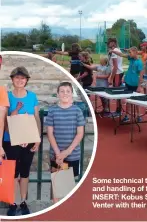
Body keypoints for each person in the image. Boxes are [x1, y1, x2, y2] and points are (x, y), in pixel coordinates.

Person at [2, 67, 41, 216]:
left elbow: (36, 118)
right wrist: (16, 137)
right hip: (10, 140)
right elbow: (4, 120)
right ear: (12, 79)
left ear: (26, 80)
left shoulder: (32, 96)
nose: (20, 80)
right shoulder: (7, 96)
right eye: (17, 78)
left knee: (24, 172)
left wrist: (37, 139)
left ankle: (23, 201)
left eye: (23, 78)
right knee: (12, 173)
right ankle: (12, 202)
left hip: (29, 141)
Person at [46, 82, 85, 203]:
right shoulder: (52, 111)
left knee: (69, 184)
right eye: (62, 91)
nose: (65, 94)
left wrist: (66, 152)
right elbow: (50, 133)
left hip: (72, 154)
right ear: (57, 94)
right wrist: (59, 154)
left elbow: (80, 134)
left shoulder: (77, 111)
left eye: (68, 91)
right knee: (56, 182)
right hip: (56, 154)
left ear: (72, 94)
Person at [111, 47, 144, 123]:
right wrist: (113, 51)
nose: (129, 54)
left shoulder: (139, 62)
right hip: (128, 83)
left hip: (135, 84)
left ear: (135, 52)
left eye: (130, 52)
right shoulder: (131, 58)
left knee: (136, 101)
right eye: (129, 52)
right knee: (128, 100)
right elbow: (121, 54)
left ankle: (138, 115)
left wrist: (139, 86)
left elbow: (141, 75)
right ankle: (127, 116)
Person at [107, 38, 124, 118]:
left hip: (117, 73)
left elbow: (115, 67)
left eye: (109, 43)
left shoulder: (114, 52)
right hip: (119, 72)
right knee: (117, 91)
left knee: (117, 92)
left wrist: (111, 78)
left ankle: (119, 111)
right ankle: (118, 110)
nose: (108, 44)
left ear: (113, 43)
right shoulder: (117, 50)